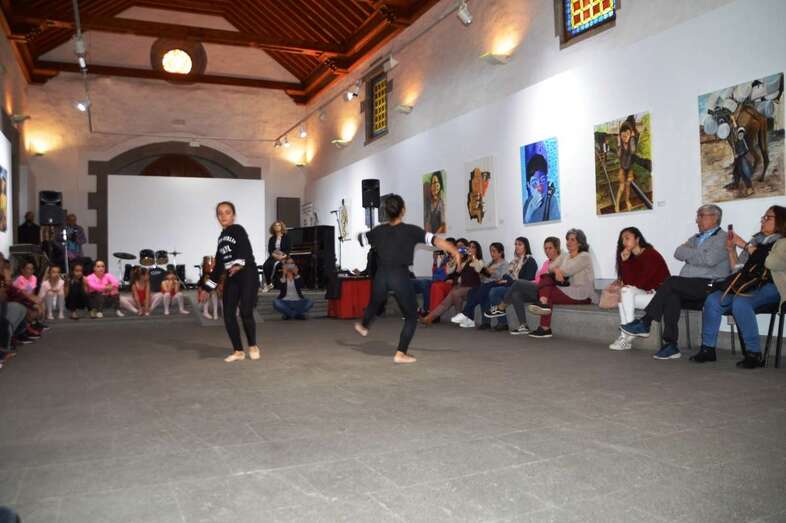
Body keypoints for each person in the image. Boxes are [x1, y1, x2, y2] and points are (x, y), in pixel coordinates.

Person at [354, 194, 460, 364]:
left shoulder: (378, 231)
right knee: (411, 317)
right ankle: (400, 353)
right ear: (403, 211)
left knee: (374, 303)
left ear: (386, 212)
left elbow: (362, 239)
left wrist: (360, 236)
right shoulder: (411, 231)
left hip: (381, 275)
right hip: (399, 276)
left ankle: (364, 326)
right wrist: (454, 251)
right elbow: (436, 241)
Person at [622, 204, 731, 360]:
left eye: (701, 216)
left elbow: (710, 259)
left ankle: (646, 322)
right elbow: (678, 252)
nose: (697, 220)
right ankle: (671, 345)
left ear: (714, 218)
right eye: (698, 216)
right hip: (690, 286)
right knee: (672, 295)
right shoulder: (696, 238)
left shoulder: (724, 238)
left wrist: (691, 254)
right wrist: (698, 254)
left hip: (711, 285)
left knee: (671, 282)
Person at [690, 205, 786, 368]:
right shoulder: (757, 240)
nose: (763, 221)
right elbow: (738, 268)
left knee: (741, 302)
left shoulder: (782, 242)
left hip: (772, 286)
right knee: (713, 299)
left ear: (781, 221)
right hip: (747, 285)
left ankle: (753, 353)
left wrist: (745, 245)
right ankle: (708, 349)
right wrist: (731, 250)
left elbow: (770, 263)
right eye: (763, 217)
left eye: (767, 217)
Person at [203, 201, 261, 363]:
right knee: (228, 314)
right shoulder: (221, 238)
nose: (223, 216)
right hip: (232, 276)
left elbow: (245, 249)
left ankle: (253, 346)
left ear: (233, 215)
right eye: (220, 213)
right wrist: (206, 288)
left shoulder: (238, 229)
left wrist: (239, 264)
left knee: (245, 312)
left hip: (247, 274)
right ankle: (238, 351)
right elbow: (218, 267)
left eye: (227, 212)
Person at [608, 228, 670, 351]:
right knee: (624, 293)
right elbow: (629, 283)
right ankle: (629, 333)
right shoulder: (629, 257)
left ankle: (627, 336)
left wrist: (627, 268)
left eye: (627, 238)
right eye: (622, 240)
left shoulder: (650, 254)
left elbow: (641, 282)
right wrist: (624, 262)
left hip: (659, 297)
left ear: (637, 239)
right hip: (645, 293)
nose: (624, 242)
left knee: (625, 293)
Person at [528, 229, 596, 338]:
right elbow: (550, 267)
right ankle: (544, 321)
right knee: (546, 284)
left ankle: (544, 319)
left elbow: (567, 270)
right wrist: (556, 270)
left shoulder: (584, 256)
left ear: (580, 242)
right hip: (570, 290)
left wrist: (557, 270)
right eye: (568, 239)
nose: (568, 242)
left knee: (546, 284)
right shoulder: (567, 256)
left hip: (583, 294)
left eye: (572, 240)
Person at [485, 237, 561, 335]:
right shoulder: (546, 262)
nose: (547, 251)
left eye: (550, 248)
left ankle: (501, 307)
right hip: (534, 288)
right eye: (545, 248)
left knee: (516, 283)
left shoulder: (533, 261)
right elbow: (536, 279)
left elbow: (534, 279)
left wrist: (510, 281)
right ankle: (523, 325)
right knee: (515, 294)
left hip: (542, 291)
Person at [420, 240, 484, 326]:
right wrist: (456, 258)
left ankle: (461, 317)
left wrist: (472, 257)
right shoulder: (464, 261)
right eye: (469, 247)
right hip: (462, 287)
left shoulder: (479, 261)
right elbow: (449, 271)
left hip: (473, 288)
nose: (470, 249)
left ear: (477, 250)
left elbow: (478, 269)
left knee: (455, 293)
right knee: (445, 302)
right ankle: (429, 318)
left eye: (473, 247)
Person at [452, 242, 510, 328]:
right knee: (472, 291)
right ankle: (472, 320)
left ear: (500, 252)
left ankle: (465, 313)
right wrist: (483, 274)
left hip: (497, 284)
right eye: (491, 251)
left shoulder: (504, 263)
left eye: (494, 251)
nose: (492, 253)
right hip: (487, 284)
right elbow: (484, 276)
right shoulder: (490, 263)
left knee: (484, 289)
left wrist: (492, 272)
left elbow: (502, 278)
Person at [523, 154, 560, 223]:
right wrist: (530, 211)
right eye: (534, 183)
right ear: (528, 185)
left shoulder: (552, 200)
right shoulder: (527, 203)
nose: (539, 187)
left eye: (543, 180)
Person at [262, 221, 290, 292]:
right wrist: (275, 256)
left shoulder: (286, 237)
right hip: (274, 256)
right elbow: (270, 250)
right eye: (275, 226)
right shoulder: (272, 238)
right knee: (265, 265)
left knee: (273, 265)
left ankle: (269, 284)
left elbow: (288, 249)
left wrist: (283, 256)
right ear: (273, 228)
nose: (277, 227)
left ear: (281, 227)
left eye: (279, 225)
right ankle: (269, 284)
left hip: (283, 257)